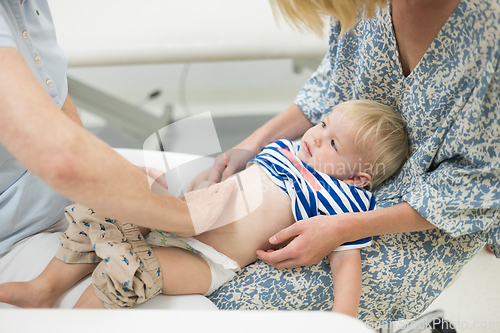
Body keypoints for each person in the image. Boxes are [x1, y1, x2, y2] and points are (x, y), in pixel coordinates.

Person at [197, 0, 500, 325]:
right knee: (198, 281)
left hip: (437, 218)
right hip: (331, 172)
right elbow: (330, 86)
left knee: (226, 306)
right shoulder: (360, 6)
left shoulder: (488, 30)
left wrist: (344, 228)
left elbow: (476, 185)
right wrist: (252, 143)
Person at [0, 100, 410, 316]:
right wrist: (192, 186)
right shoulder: (284, 150)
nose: (317, 138)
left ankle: (70, 325)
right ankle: (44, 287)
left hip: (207, 258)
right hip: (180, 216)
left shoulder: (342, 197)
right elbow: (224, 185)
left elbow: (346, 260)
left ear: (359, 177)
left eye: (334, 144)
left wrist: (342, 318)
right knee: (105, 204)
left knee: (125, 271)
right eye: (323, 125)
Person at [0, 0, 229, 293]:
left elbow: (55, 100)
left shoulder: (30, 7)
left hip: (61, 200)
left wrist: (126, 182)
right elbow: (62, 160)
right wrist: (187, 219)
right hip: (16, 232)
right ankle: (43, 288)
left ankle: (46, 287)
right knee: (159, 297)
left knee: (157, 183)